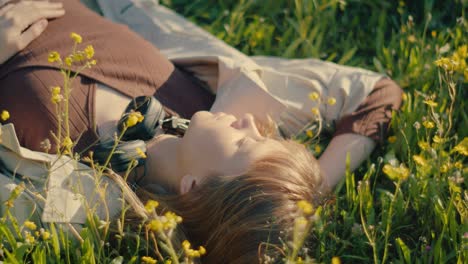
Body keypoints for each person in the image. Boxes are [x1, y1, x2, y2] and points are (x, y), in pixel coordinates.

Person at [0, 0, 402, 262]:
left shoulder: (72, 192)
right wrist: (306, 200)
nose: (249, 124)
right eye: (265, 137)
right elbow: (377, 96)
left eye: (246, 143)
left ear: (193, 186)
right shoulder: (210, 102)